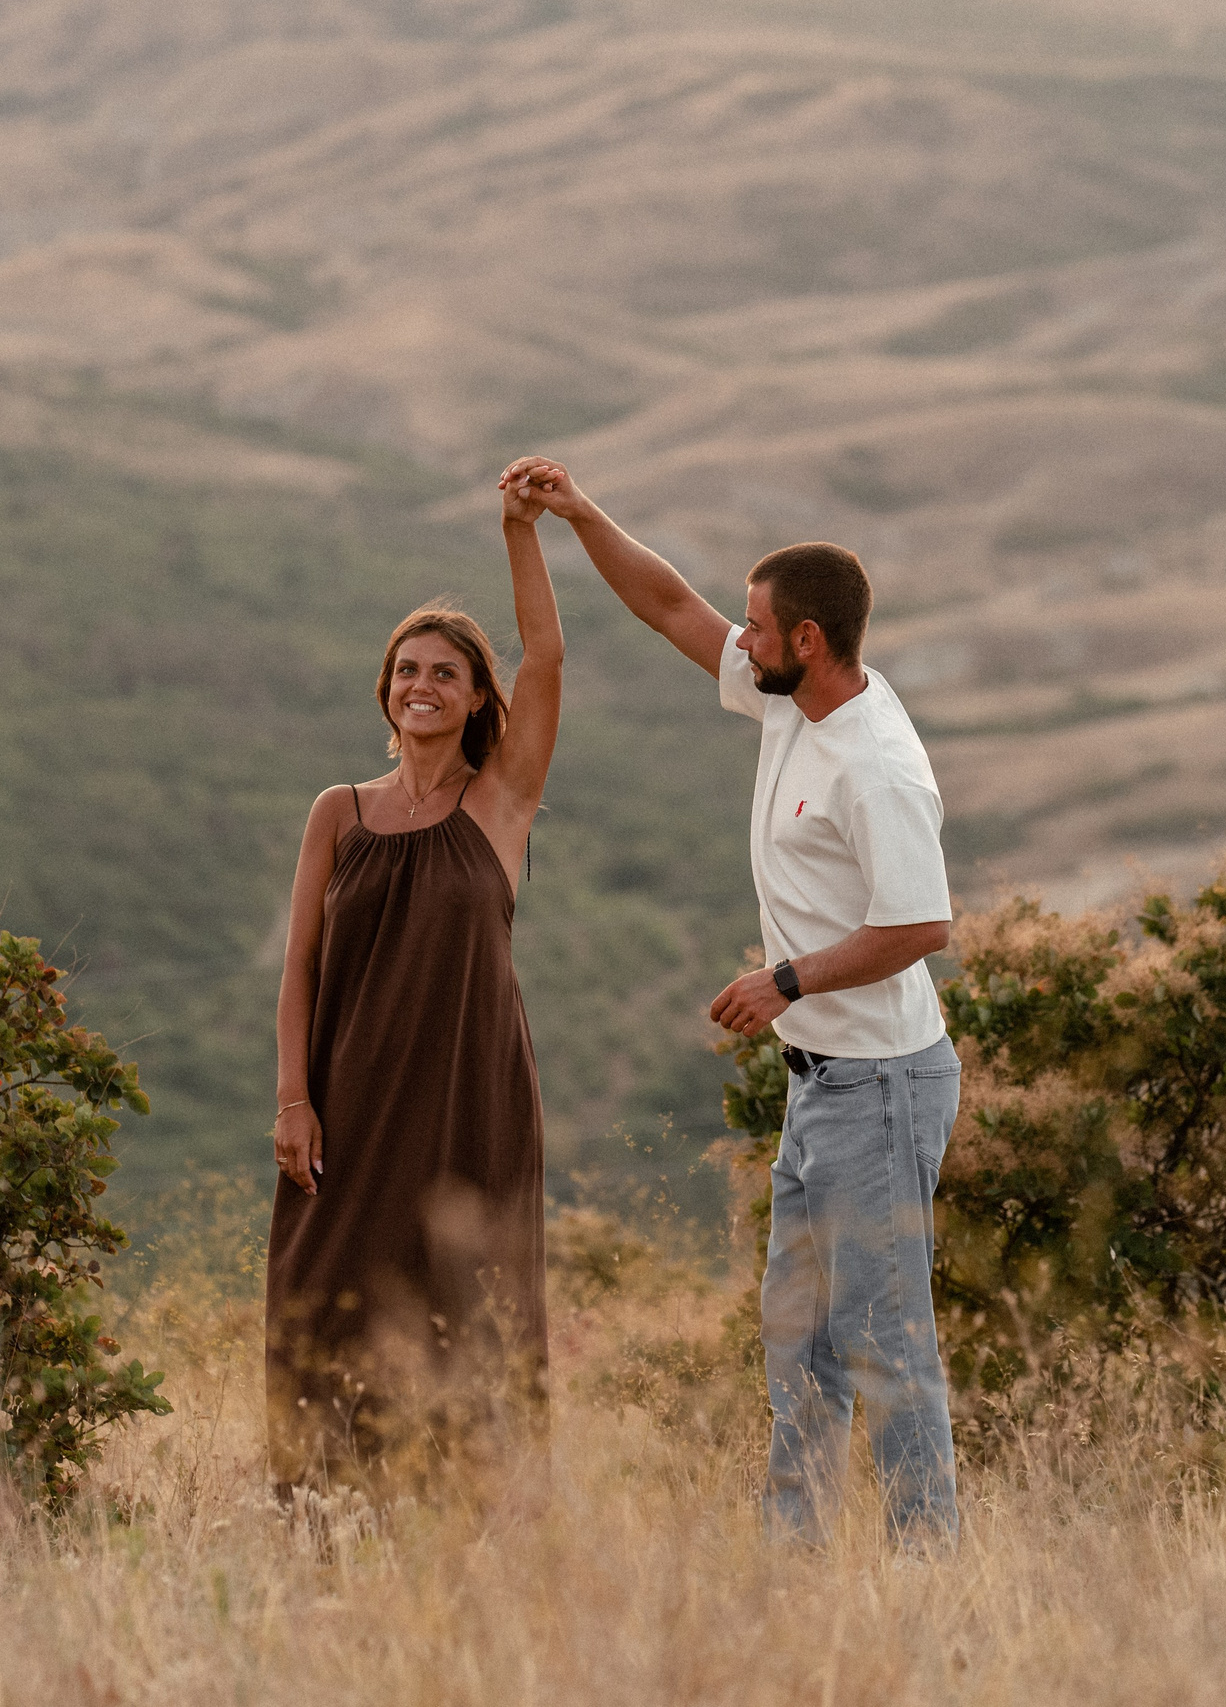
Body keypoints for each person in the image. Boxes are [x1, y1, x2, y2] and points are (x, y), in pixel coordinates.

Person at [498, 454, 959, 1546]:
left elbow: (921, 925)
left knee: (885, 1340)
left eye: (755, 628)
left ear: (806, 639)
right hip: (819, 1085)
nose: (737, 638)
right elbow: (667, 605)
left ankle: (928, 1574)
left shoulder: (874, 763)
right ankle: (791, 1563)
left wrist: (784, 978)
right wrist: (575, 513)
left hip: (882, 1086)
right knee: (796, 1334)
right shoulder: (794, 703)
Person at [264, 469, 565, 1495]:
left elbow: (549, 654)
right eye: (404, 668)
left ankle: (474, 1516)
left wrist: (517, 528)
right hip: (345, 1104)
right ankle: (326, 1514)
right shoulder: (338, 812)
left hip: (466, 1107)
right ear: (384, 688)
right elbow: (299, 964)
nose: (420, 683)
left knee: (466, 1300)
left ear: (479, 694)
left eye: (444, 669)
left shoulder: (501, 804)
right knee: (323, 1294)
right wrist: (294, 1099)